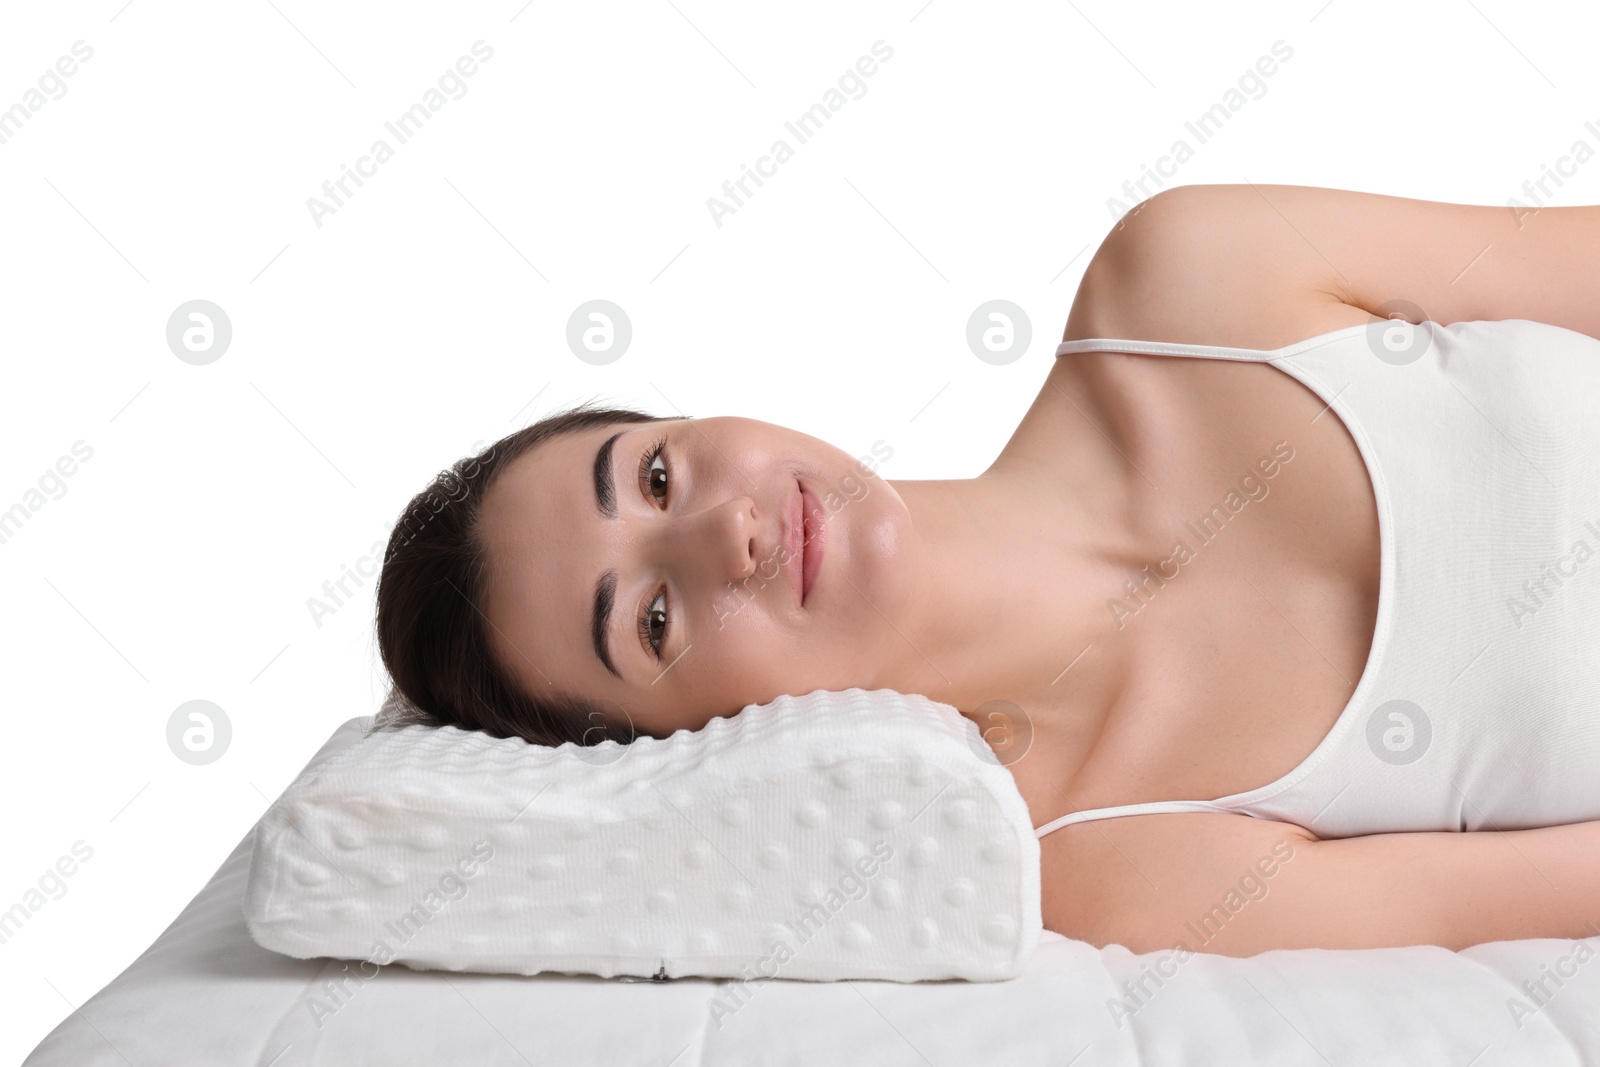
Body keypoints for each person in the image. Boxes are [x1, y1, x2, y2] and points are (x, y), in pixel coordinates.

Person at [376, 183, 1600, 958]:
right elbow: (1541, 894)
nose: (722, 535)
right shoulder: (1102, 859)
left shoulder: (1185, 276)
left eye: (650, 476)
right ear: (676, 745)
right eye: (649, 619)